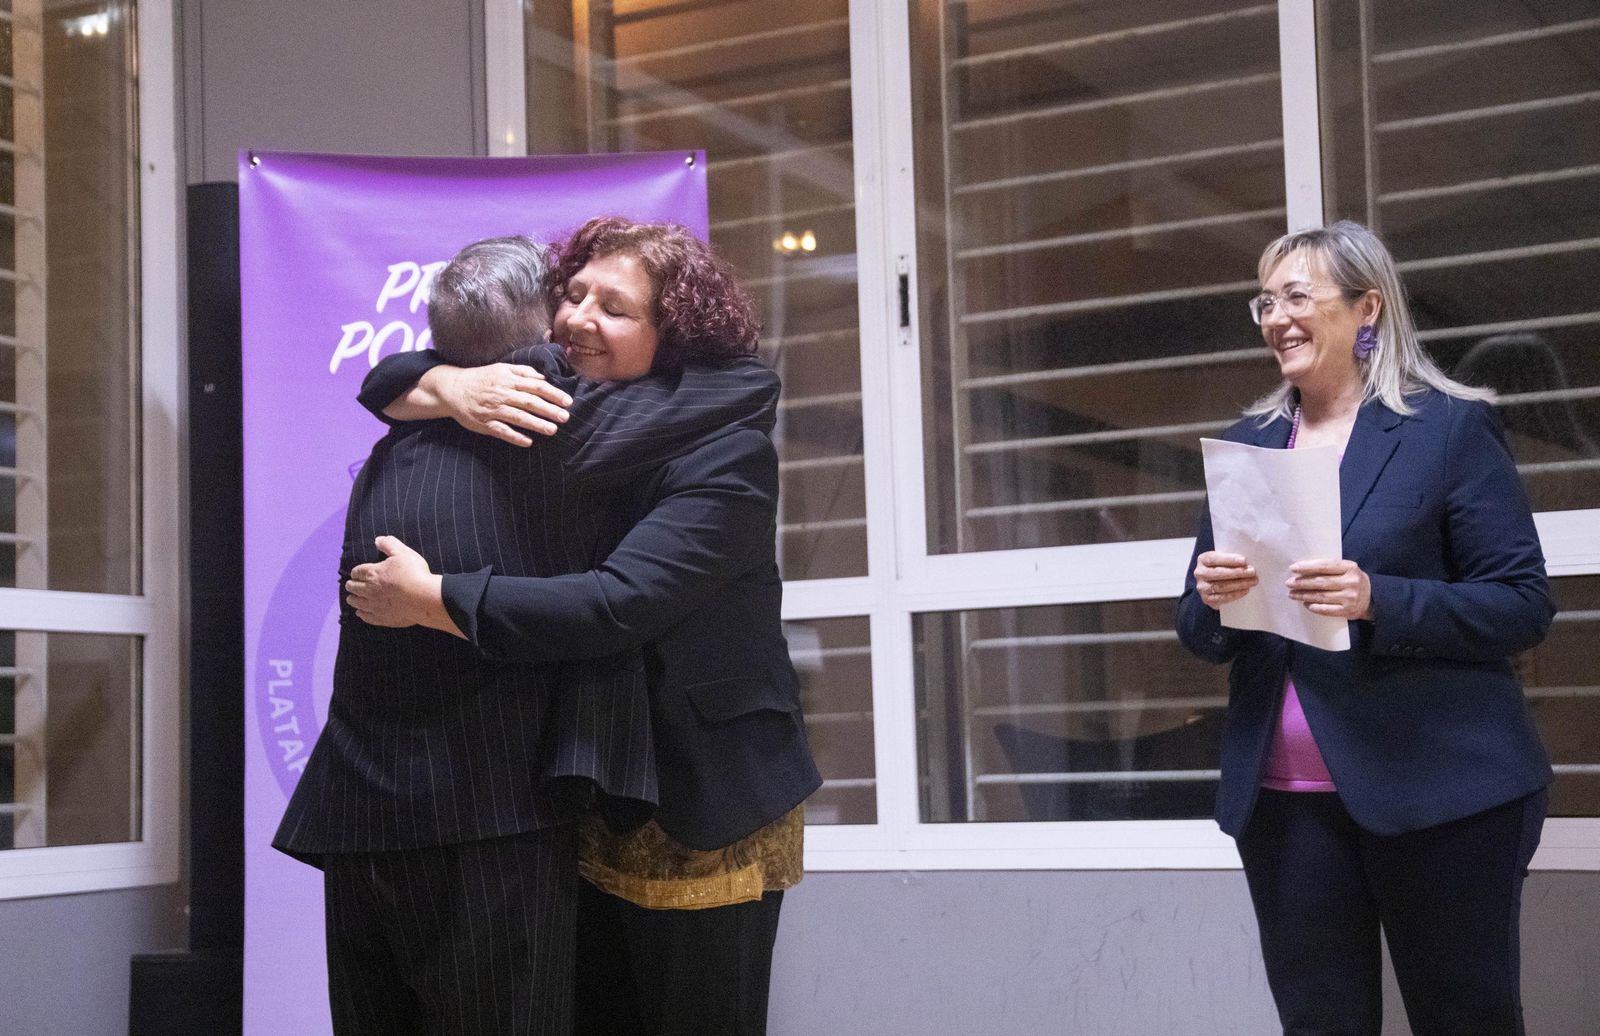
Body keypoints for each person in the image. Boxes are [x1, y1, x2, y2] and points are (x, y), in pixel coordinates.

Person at [274, 234, 780, 1035]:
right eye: (573, 295)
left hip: (696, 785)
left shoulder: (642, 428)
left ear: (676, 331)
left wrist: (434, 596)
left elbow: (619, 600)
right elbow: (390, 378)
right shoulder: (530, 403)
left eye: (614, 307)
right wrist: (450, 381)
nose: (578, 317)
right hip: (565, 790)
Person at [1176, 220, 1554, 1036]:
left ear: (1368, 308)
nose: (1277, 318)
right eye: (1265, 303)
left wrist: (1377, 598)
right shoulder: (1248, 447)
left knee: (1465, 1020)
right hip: (1285, 803)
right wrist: (1211, 597)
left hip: (1442, 792)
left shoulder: (1447, 430)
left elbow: (1521, 603)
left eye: (1297, 296)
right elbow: (1199, 630)